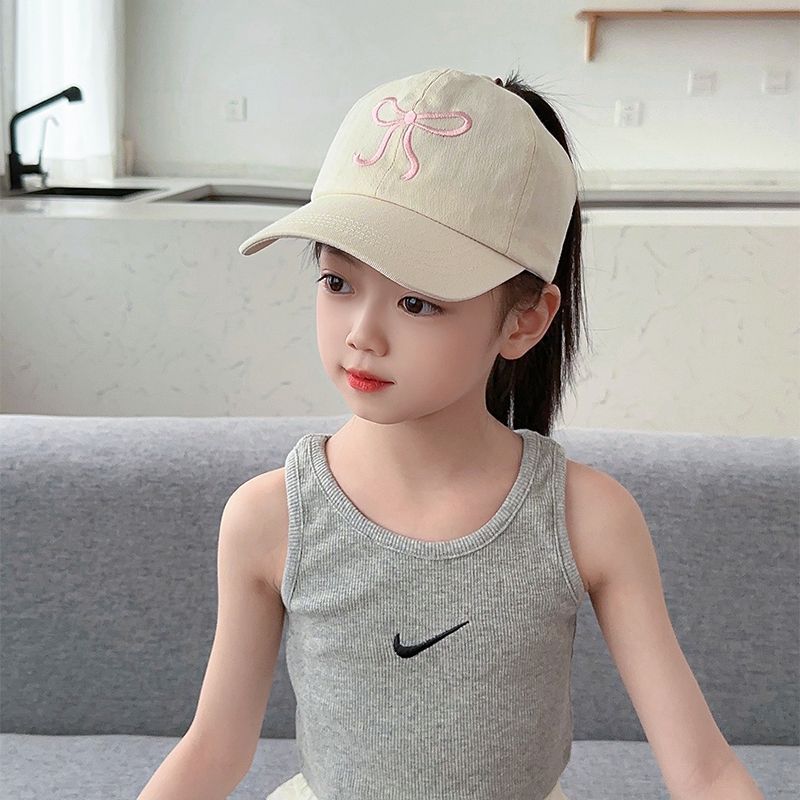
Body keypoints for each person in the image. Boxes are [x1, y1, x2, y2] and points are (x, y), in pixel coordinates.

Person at [138, 67, 764, 800]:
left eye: (417, 302)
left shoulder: (587, 519)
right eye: (338, 283)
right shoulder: (269, 517)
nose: (362, 335)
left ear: (525, 320)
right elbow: (213, 752)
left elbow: (704, 772)